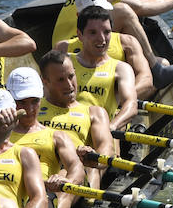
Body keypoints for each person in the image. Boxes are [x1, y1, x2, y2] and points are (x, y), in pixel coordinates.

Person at [6, 67, 85, 208]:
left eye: (34, 101)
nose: (29, 109)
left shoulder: (57, 136)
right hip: (6, 195)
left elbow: (77, 168)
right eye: (21, 102)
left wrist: (67, 181)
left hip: (41, 197)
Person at [35, 50, 114, 190]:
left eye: (71, 76)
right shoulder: (33, 108)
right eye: (60, 80)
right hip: (35, 169)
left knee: (69, 172)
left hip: (70, 172)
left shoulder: (94, 112)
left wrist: (93, 157)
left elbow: (106, 150)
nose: (69, 85)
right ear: (45, 81)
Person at [56, 0, 155, 99]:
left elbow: (146, 80)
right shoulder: (63, 47)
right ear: (79, 17)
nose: (99, 16)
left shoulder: (128, 42)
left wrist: (117, 100)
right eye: (92, 14)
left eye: (102, 11)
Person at [68, 5, 139, 131]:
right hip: (66, 129)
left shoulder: (121, 69)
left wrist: (112, 126)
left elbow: (131, 105)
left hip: (101, 133)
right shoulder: (65, 62)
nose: (101, 39)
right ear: (79, 35)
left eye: (106, 32)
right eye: (93, 32)